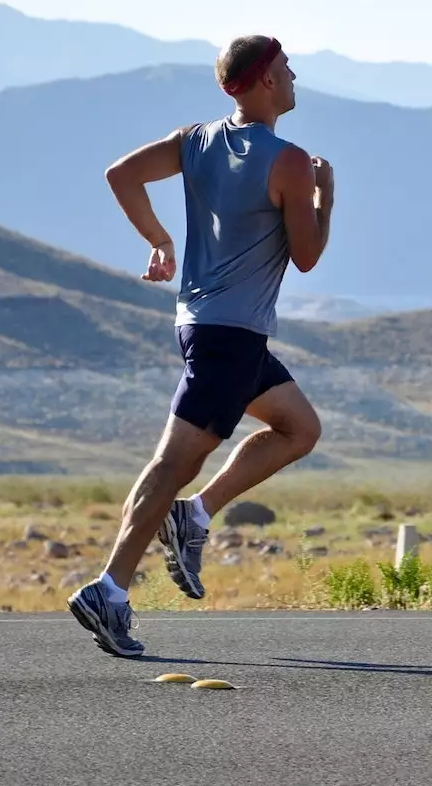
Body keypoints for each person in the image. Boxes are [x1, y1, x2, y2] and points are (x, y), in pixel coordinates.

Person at [67, 35, 334, 657]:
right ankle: (109, 590)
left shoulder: (197, 140)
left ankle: (195, 515)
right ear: (266, 79)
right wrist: (326, 197)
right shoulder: (290, 162)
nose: (295, 80)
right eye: (288, 71)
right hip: (231, 337)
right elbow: (308, 256)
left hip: (206, 326)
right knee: (171, 463)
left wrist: (159, 240)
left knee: (298, 428)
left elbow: (122, 174)